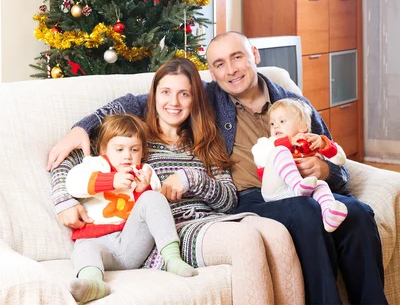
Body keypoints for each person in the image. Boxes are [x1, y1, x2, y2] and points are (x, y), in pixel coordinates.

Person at [47, 32, 387, 305]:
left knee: (356, 212)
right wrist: (83, 128)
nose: (230, 70)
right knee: (303, 213)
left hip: (295, 188)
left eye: (237, 57)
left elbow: (337, 166)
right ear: (212, 72)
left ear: (254, 55)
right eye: (219, 64)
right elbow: (139, 104)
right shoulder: (192, 107)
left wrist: (324, 170)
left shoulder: (292, 105)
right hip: (250, 198)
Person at [51, 57, 303, 305]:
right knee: (244, 240)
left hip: (213, 219)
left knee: (278, 233)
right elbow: (72, 158)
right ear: (154, 96)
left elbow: (228, 200)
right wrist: (63, 201)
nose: (174, 102)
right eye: (166, 92)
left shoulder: (206, 142)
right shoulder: (136, 141)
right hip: (173, 230)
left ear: (194, 100)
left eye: (184, 94)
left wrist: (191, 178)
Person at [66, 113, 196, 303]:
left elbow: (156, 211)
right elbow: (73, 183)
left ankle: (172, 258)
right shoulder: (95, 165)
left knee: (153, 198)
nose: (127, 156)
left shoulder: (145, 172)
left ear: (142, 151)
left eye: (134, 149)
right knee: (83, 250)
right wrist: (112, 180)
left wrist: (144, 189)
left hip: (132, 243)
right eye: (119, 149)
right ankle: (93, 283)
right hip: (97, 243)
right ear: (104, 149)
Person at [252, 97, 348, 232]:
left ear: (303, 126)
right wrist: (288, 142)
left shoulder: (311, 143)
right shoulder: (269, 143)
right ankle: (298, 186)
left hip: (298, 195)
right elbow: (259, 157)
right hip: (274, 192)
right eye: (272, 123)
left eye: (282, 121)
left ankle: (329, 215)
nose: (276, 126)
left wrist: (324, 143)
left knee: (321, 185)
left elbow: (340, 160)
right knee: (280, 151)